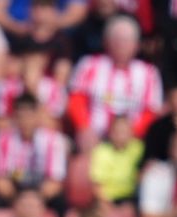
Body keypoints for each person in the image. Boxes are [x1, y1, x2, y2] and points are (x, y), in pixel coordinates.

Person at [67, 14, 162, 150]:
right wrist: (84, 126)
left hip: (133, 140)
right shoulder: (89, 65)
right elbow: (76, 100)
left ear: (137, 45)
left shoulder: (149, 73)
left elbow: (151, 111)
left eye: (126, 40)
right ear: (106, 42)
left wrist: (131, 134)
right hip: (93, 137)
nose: (121, 45)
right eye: (116, 40)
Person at [0, 92, 67, 211]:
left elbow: (55, 182)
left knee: (59, 204)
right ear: (14, 117)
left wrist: (34, 201)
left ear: (37, 116)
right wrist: (18, 200)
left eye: (29, 116)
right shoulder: (1, 139)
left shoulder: (54, 140)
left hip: (41, 189)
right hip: (13, 188)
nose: (25, 121)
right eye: (21, 116)